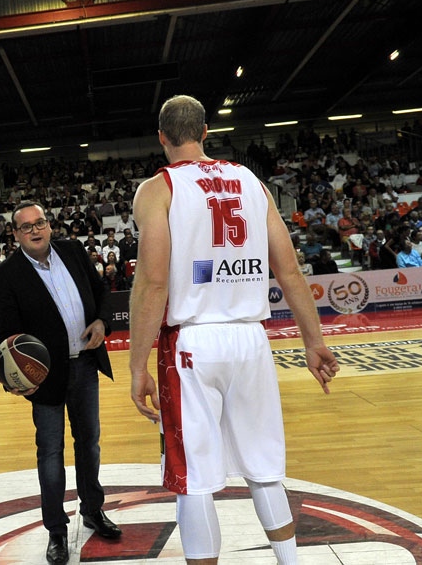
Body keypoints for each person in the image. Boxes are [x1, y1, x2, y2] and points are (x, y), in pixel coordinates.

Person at [128, 95, 339, 565]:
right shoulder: (251, 181)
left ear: (162, 137)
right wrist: (314, 341)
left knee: (194, 477)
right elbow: (289, 272)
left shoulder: (157, 189)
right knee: (263, 468)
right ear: (206, 132)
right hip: (250, 339)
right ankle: (290, 561)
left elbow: (154, 281)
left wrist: (137, 363)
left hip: (193, 343)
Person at [0, 201, 121, 565]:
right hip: (45, 377)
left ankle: (93, 511)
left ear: (49, 226)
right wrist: (10, 378)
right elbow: (7, 332)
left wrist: (101, 323)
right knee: (50, 454)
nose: (36, 230)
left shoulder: (73, 250)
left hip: (85, 366)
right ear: (15, 235)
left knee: (89, 444)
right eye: (27, 227)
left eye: (41, 223)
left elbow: (102, 295)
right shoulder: (8, 274)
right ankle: (57, 530)